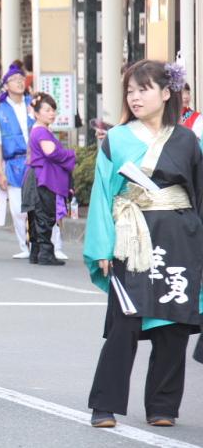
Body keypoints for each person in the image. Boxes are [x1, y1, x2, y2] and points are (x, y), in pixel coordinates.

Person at [83, 59, 203, 428]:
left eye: (143, 89)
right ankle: (105, 404)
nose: (135, 97)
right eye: (130, 91)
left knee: (173, 324)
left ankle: (162, 407)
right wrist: (102, 247)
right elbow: (103, 195)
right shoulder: (116, 139)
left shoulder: (188, 140)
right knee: (125, 323)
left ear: (166, 94)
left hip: (180, 237)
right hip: (131, 238)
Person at [20, 93, 75, 266]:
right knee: (44, 215)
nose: (52, 113)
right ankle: (45, 253)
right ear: (36, 113)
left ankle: (36, 252)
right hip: (42, 177)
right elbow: (51, 152)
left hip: (36, 176)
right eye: (47, 110)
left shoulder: (38, 130)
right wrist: (71, 154)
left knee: (36, 214)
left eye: (53, 110)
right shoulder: (42, 131)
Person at [0, 64, 33, 259]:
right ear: (5, 86)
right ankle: (25, 246)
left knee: (43, 205)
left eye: (22, 79)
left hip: (36, 161)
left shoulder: (33, 105)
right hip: (13, 163)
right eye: (15, 80)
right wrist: (0, 172)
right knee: (18, 208)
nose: (20, 82)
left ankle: (50, 245)